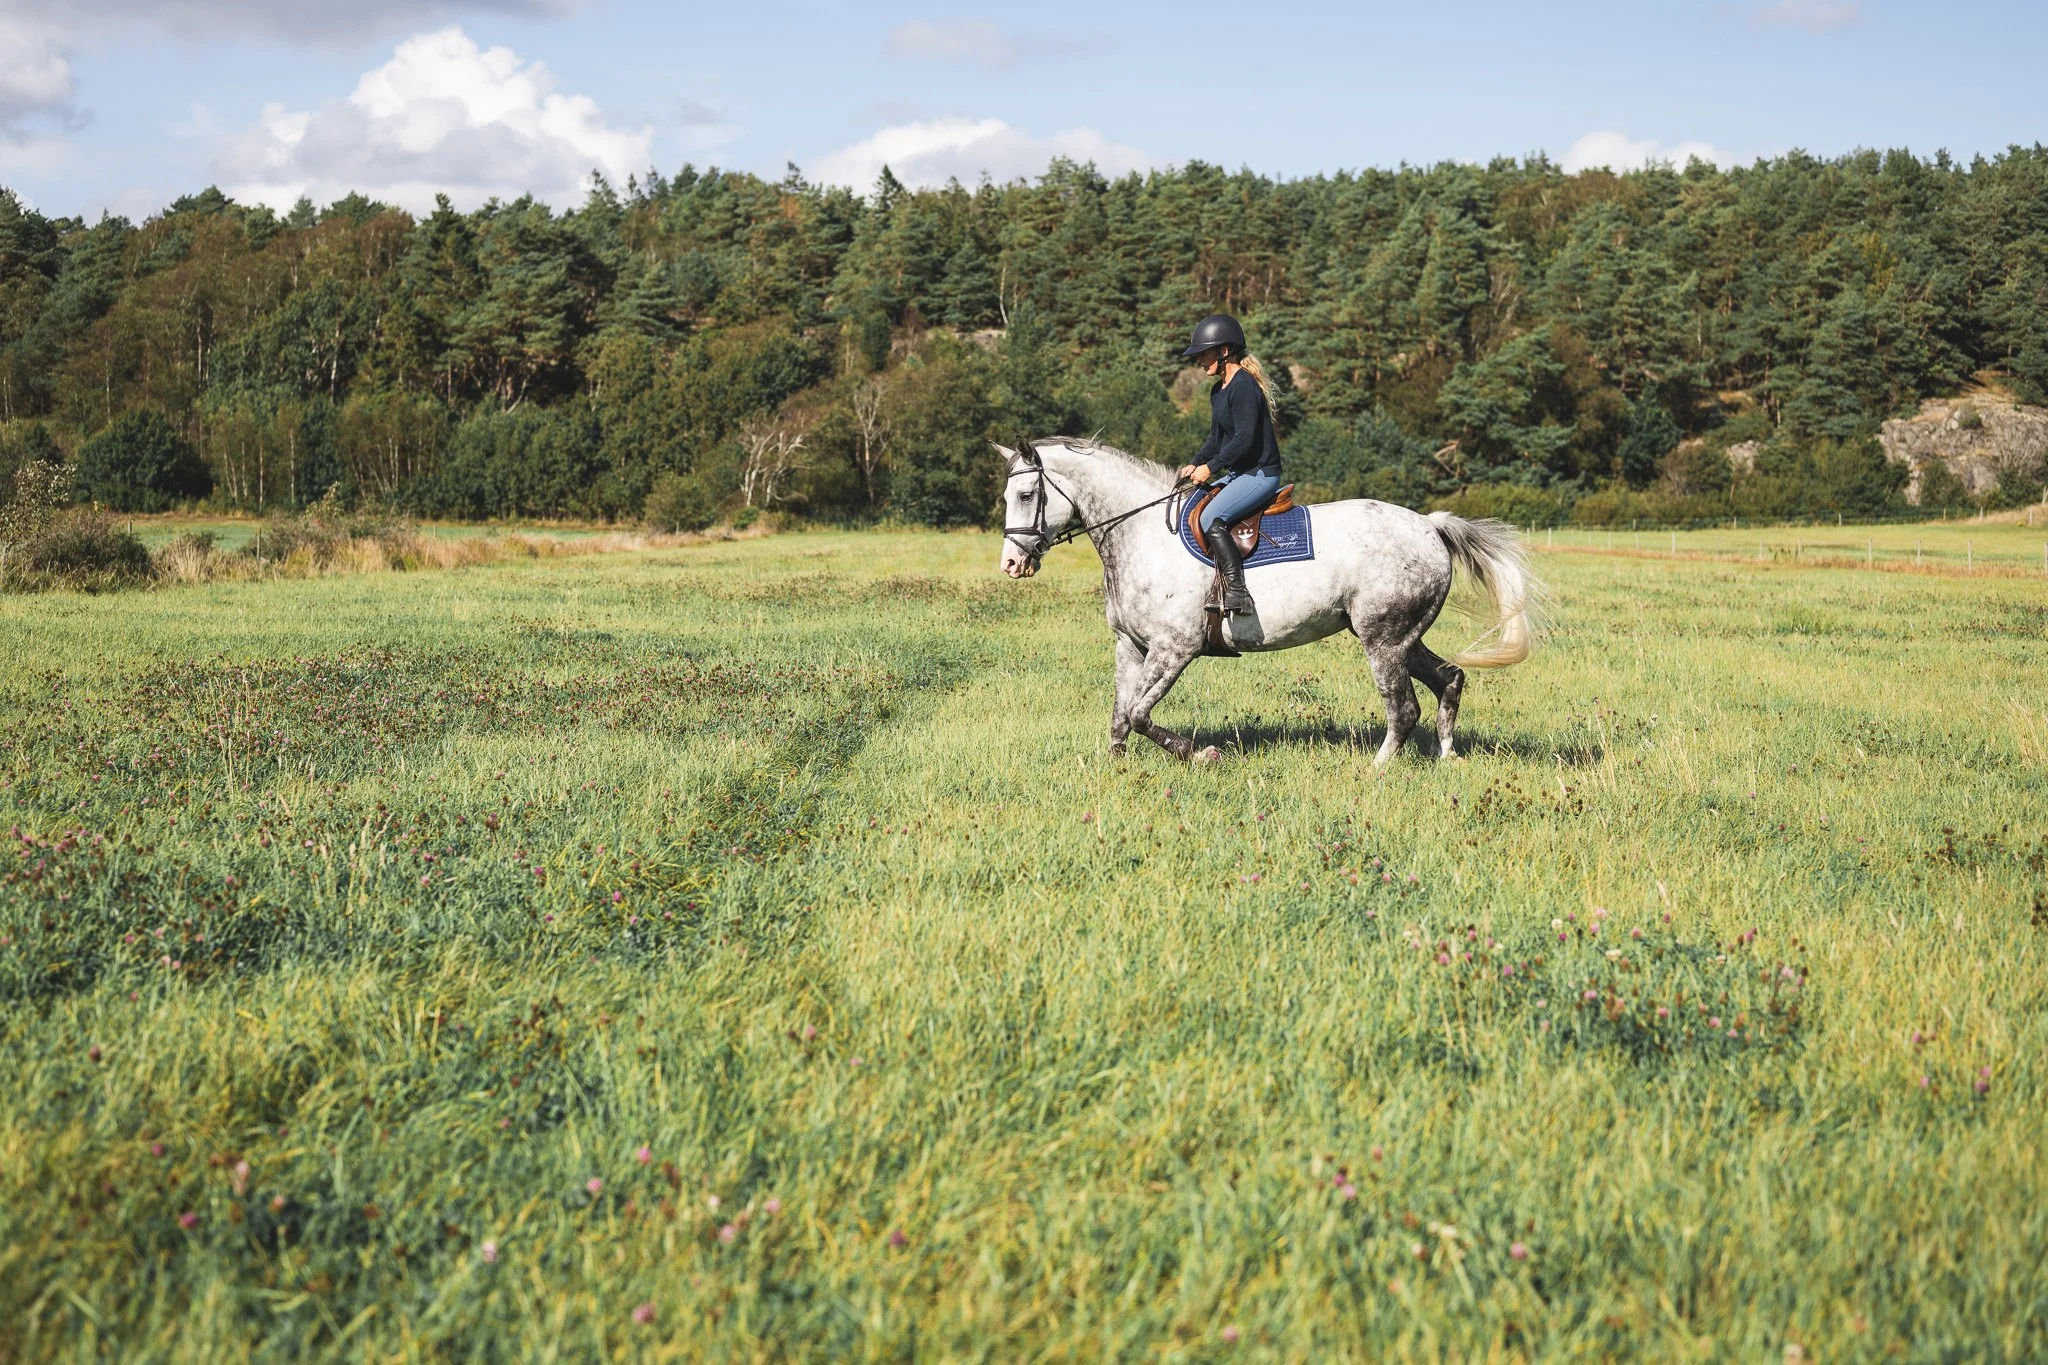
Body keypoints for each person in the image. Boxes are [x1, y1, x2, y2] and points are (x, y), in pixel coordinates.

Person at [1176, 314, 1282, 615]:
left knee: (1211, 518)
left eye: (1203, 353)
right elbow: (1218, 438)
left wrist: (1211, 468)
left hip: (1260, 474)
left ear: (1223, 352)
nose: (1198, 360)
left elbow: (1244, 440)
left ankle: (1238, 593)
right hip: (1239, 474)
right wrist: (1196, 462)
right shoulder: (1218, 390)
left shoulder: (1244, 387)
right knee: (1193, 504)